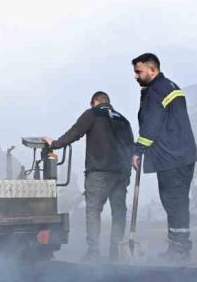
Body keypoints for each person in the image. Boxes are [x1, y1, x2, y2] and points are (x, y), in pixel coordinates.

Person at [44, 91, 134, 262]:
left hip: (99, 172)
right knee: (119, 212)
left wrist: (54, 144)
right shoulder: (123, 119)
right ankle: (115, 252)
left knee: (93, 211)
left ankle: (94, 252)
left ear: (94, 102)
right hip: (121, 174)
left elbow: (75, 133)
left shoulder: (92, 113)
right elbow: (130, 146)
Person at [131, 53, 197, 261]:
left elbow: (151, 125)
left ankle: (179, 249)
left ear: (152, 70)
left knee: (172, 202)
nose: (136, 76)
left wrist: (137, 150)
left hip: (170, 157)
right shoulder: (172, 86)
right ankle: (180, 246)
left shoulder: (155, 91)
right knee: (179, 202)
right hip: (184, 154)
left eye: (139, 71)